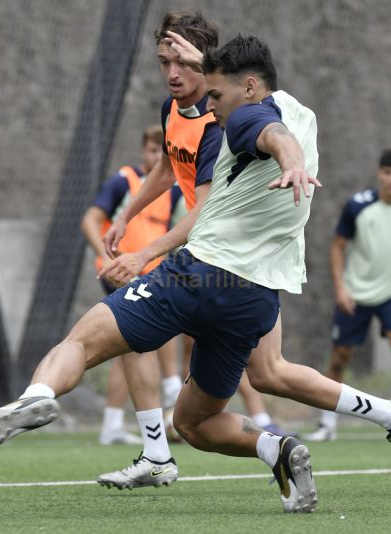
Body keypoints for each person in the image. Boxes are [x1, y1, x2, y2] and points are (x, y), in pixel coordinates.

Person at [0, 34, 391, 514]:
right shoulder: (299, 112)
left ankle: (36, 396)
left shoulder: (247, 116)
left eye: (216, 96)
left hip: (199, 275)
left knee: (83, 339)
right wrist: (201, 65)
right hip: (253, 298)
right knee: (197, 421)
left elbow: (268, 132)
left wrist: (291, 163)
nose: (211, 106)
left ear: (247, 88)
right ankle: (285, 447)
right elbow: (260, 117)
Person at [95, 12, 290, 490]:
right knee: (133, 333)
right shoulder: (172, 109)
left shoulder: (223, 124)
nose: (171, 73)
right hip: (203, 252)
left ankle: (379, 415)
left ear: (204, 64)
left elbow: (204, 210)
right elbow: (165, 168)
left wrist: (144, 255)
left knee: (267, 371)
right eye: (163, 63)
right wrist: (127, 213)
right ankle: (160, 451)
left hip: (227, 257)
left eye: (179, 62)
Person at [304, 149, 391, 442]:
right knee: (340, 357)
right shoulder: (358, 206)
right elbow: (337, 246)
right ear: (379, 173)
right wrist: (340, 288)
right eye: (387, 173)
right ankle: (327, 423)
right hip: (355, 294)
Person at [80, 124, 185, 446]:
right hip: (121, 272)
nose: (156, 157)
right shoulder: (123, 181)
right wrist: (106, 257)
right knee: (149, 331)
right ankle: (171, 388)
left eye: (161, 152)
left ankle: (112, 424)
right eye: (152, 150)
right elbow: (89, 220)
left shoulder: (174, 190)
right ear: (142, 151)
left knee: (128, 346)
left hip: (152, 272)